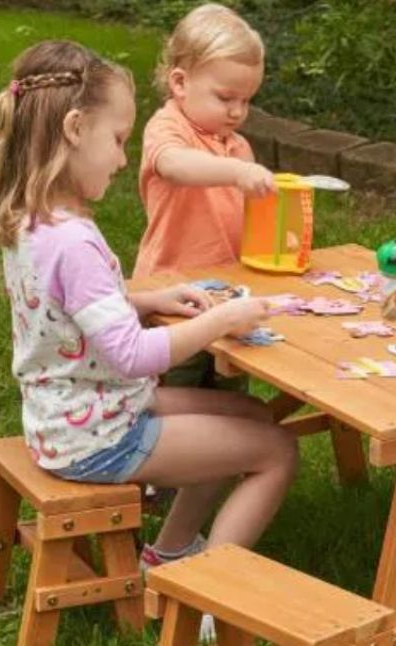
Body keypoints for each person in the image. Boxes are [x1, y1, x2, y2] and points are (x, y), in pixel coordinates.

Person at [0, 40, 297, 641]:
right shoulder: (74, 241)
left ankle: (171, 555)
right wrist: (220, 323)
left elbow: (66, 311)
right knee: (277, 451)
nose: (125, 160)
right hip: (97, 434)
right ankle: (209, 603)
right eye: (119, 140)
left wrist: (143, 301)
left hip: (67, 415)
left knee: (249, 413)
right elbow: (133, 354)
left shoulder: (33, 216)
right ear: (75, 129)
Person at [133, 3, 275, 389]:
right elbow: (175, 165)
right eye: (226, 97)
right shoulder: (167, 127)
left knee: (231, 389)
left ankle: (230, 445)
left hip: (227, 293)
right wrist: (238, 172)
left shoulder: (238, 146)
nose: (237, 111)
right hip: (172, 295)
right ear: (180, 83)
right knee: (177, 388)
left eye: (246, 100)